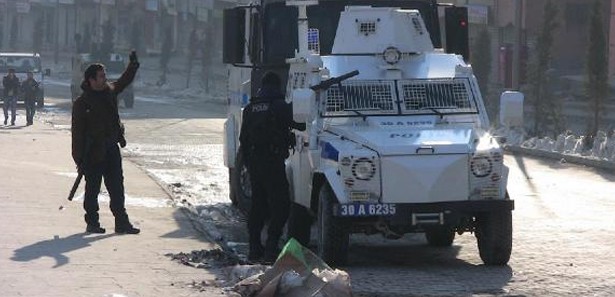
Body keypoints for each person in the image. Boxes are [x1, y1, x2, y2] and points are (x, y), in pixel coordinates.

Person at [239, 72, 305, 263]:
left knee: (258, 205)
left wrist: (251, 163)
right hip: (273, 162)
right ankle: (271, 247)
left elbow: (243, 139)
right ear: (278, 87)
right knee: (281, 205)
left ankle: (253, 248)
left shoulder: (250, 108)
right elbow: (300, 124)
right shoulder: (280, 106)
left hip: (254, 163)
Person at [71, 51, 140, 234]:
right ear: (91, 80)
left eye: (104, 76)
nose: (105, 79)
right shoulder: (82, 103)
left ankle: (121, 222)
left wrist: (132, 66)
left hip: (111, 149)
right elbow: (77, 134)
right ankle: (92, 222)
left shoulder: (109, 92)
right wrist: (79, 159)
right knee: (92, 190)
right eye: (101, 77)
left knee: (117, 188)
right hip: (93, 153)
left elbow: (123, 82)